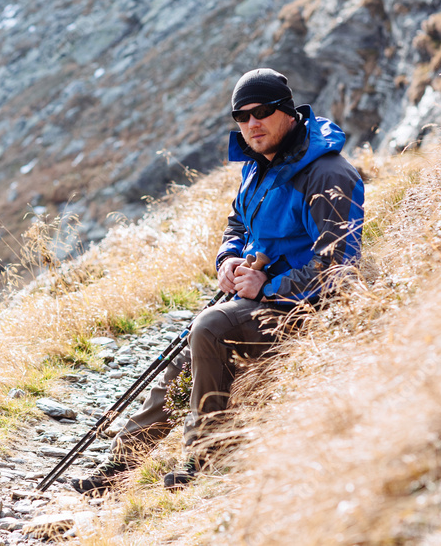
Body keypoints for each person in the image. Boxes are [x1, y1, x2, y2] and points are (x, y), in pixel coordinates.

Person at [72, 68, 364, 493]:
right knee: (187, 353)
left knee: (209, 328)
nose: (251, 124)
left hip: (309, 309)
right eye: (241, 116)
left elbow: (340, 264)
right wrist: (229, 258)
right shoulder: (259, 165)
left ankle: (205, 457)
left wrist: (267, 286)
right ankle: (122, 463)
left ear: (288, 112)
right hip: (263, 299)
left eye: (262, 112)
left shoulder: (327, 174)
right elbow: (238, 223)